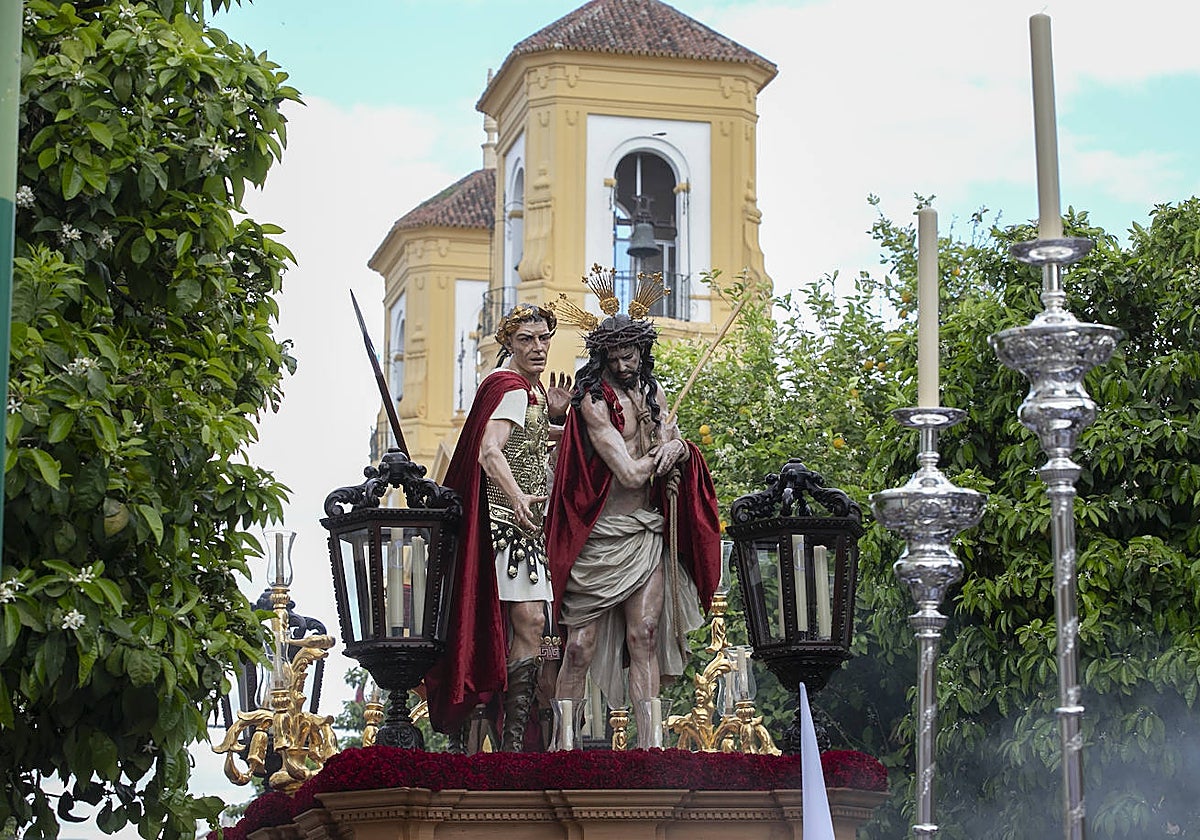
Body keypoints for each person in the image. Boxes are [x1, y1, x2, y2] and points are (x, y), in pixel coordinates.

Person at [544, 304, 721, 747]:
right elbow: (626, 472)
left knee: (644, 635)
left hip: (644, 533)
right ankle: (563, 744)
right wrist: (665, 453)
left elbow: (669, 443)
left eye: (630, 355)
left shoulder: (654, 393)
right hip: (598, 537)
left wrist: (678, 449)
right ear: (602, 357)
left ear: (642, 351)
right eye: (615, 357)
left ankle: (650, 744)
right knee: (579, 646)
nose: (624, 365)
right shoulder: (593, 401)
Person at [424, 303, 570, 751]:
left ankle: (514, 740)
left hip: (525, 528)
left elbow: (528, 442)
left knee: (532, 628)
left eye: (544, 338)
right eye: (527, 339)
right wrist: (517, 495)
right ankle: (511, 744)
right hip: (507, 527)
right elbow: (490, 450)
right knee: (532, 622)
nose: (538, 347)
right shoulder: (511, 389)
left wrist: (560, 422)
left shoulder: (525, 390)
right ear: (509, 343)